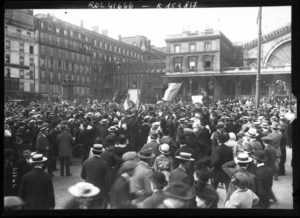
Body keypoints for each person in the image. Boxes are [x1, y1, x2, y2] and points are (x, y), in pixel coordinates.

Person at [81, 144, 110, 208]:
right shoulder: (104, 163)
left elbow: (82, 176)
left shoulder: (86, 162)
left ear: (93, 151)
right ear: (101, 152)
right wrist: (108, 190)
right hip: (100, 191)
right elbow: (107, 180)